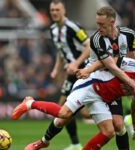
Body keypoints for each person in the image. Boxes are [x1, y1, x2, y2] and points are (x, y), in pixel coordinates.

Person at [12, 57, 135, 150]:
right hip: (91, 84)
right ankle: (30, 103)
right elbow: (108, 60)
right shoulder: (133, 67)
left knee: (108, 132)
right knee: (64, 114)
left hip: (102, 96)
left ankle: (44, 142)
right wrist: (88, 70)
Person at [75, 6, 135, 150]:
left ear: (112, 22)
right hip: (96, 81)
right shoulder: (97, 39)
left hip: (114, 81)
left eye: (101, 24)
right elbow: (107, 64)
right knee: (68, 113)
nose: (98, 28)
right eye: (97, 24)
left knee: (118, 124)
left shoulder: (128, 34)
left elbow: (131, 57)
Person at [33, 0, 90, 150]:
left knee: (70, 110)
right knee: (63, 109)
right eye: (52, 10)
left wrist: (76, 63)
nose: (55, 13)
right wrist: (56, 69)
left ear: (64, 10)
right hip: (72, 73)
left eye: (57, 10)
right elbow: (61, 50)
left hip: (84, 70)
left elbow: (89, 45)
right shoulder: (52, 29)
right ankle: (76, 144)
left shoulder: (73, 27)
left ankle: (73, 143)